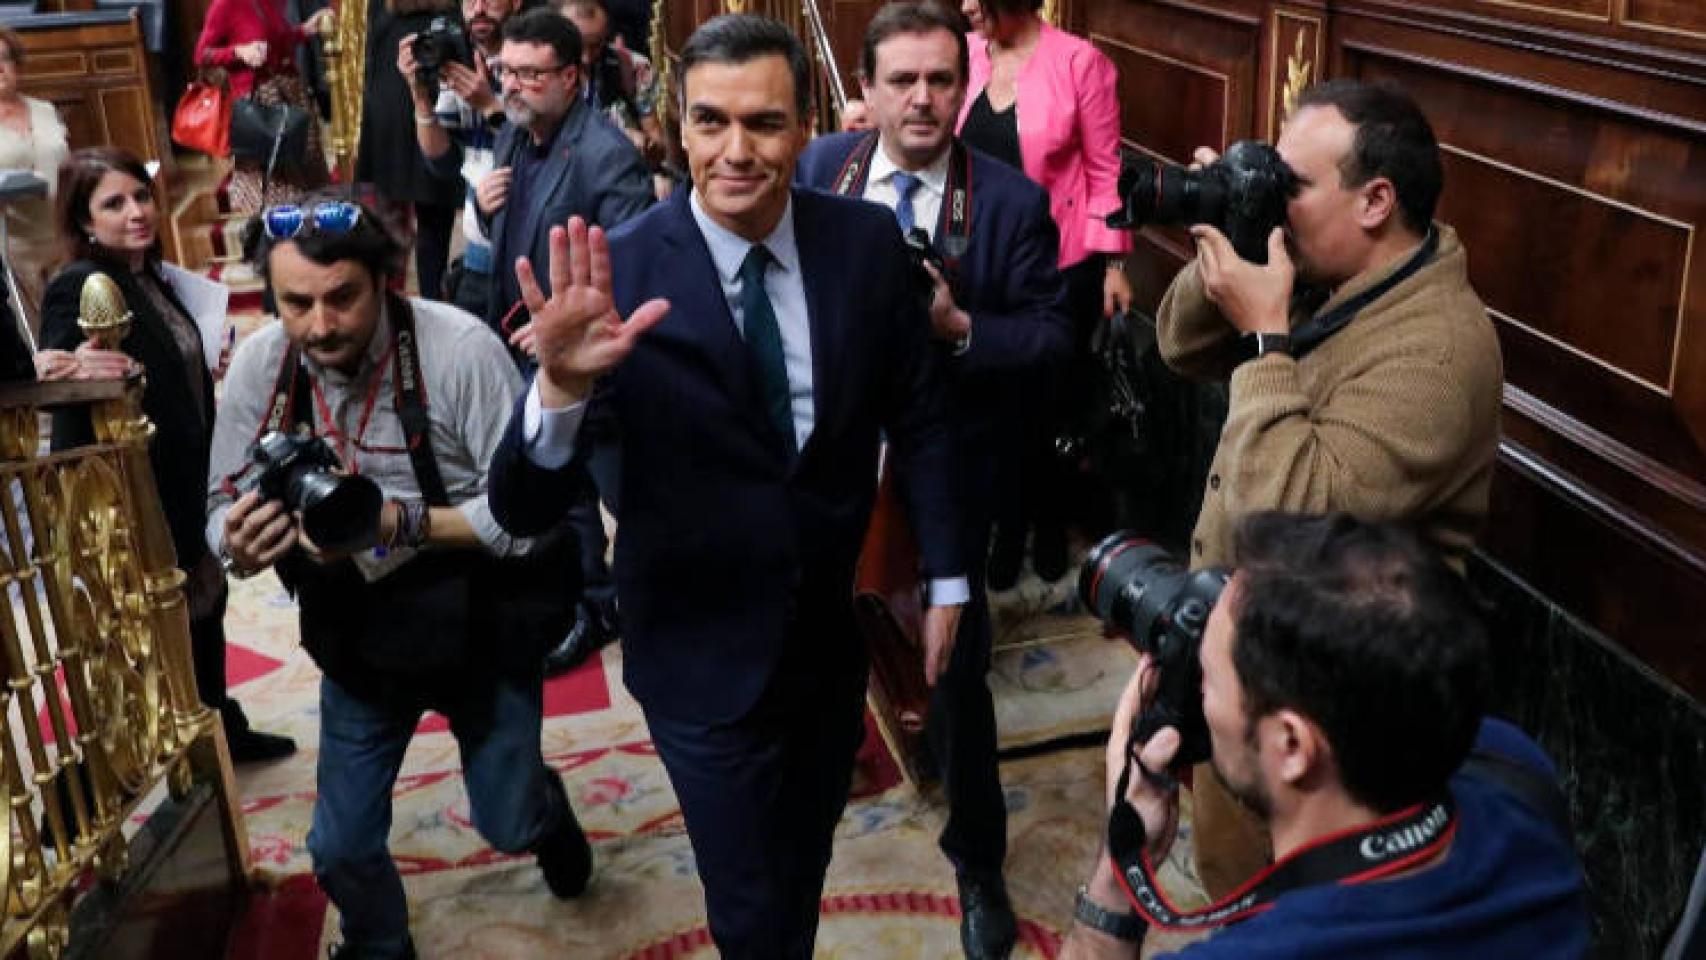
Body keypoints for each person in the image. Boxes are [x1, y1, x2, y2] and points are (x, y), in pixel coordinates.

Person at [485, 15, 965, 957]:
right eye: (711, 123)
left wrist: (947, 576)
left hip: (832, 654)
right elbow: (521, 506)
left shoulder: (867, 245)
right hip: (697, 659)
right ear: (678, 128)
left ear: (805, 125)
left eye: (763, 123)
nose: (737, 151)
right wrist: (563, 389)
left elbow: (923, 419)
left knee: (797, 866)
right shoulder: (611, 270)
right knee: (747, 898)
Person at [207, 194, 590, 959]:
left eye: (343, 297)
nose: (321, 325)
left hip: (481, 617)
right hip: (358, 634)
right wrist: (240, 542)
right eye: (297, 303)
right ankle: (381, 945)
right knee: (339, 845)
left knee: (506, 821)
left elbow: (528, 523)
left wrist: (395, 524)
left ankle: (546, 813)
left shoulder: (459, 351)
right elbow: (218, 504)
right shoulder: (262, 363)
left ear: (386, 280)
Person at [1155, 79, 1504, 898]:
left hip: (1335, 751)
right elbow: (1174, 343)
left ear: (1376, 200)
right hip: (1259, 684)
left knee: (1299, 924)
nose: (1278, 205)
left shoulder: (1440, 351)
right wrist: (1237, 232)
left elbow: (1293, 516)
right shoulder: (1333, 272)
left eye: (1293, 186)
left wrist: (1267, 335)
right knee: (1235, 892)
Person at [795, 4, 1069, 956]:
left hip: (949, 468)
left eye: (941, 80)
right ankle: (825, 780)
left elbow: (1050, 340)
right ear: (864, 89)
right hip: (831, 458)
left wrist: (960, 331)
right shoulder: (818, 170)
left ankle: (979, 862)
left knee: (955, 676)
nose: (921, 99)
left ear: (966, 85)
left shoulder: (1008, 203)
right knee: (822, 636)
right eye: (901, 80)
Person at [1062, 513, 1589, 958]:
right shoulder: (1515, 773)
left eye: (1208, 679)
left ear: (1292, 746)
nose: (1198, 695)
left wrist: (1117, 867)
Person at [40, 148, 295, 764]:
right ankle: (172, 741)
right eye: (114, 204)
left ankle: (218, 721)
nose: (136, 212)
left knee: (205, 599)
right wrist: (71, 362)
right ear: (83, 223)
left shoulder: (149, 277)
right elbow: (56, 366)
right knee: (164, 616)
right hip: (137, 483)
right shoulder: (82, 283)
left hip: (185, 467)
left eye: (140, 197)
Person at [465, 7, 652, 675]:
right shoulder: (518, 134)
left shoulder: (609, 157)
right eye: (504, 70)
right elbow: (511, 239)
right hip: (527, 351)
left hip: (594, 371)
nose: (509, 85)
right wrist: (485, 212)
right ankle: (593, 605)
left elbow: (632, 270)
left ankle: (652, 609)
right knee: (562, 497)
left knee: (628, 501)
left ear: (571, 77)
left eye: (529, 73)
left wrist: (567, 334)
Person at [958, 0, 1133, 589]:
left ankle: (1049, 520)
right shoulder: (964, 55)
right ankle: (1008, 524)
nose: (964, 7)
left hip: (1060, 265)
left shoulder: (1080, 63)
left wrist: (1113, 262)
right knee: (995, 401)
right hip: (979, 262)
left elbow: (1106, 170)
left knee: (1051, 401)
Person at [400, 0, 516, 320]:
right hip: (478, 257)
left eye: (490, 0)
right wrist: (420, 97)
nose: (478, 9)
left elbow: (546, 152)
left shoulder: (534, 63)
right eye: (469, 0)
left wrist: (490, 105)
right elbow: (443, 164)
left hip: (528, 254)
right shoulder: (462, 64)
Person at [358, 0, 466, 300]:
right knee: (403, 220)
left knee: (425, 217)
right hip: (398, 108)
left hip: (424, 106)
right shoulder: (385, 16)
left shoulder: (445, 21)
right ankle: (396, 300)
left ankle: (414, 301)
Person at [194, 0, 333, 212]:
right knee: (281, 181)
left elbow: (276, 42)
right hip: (262, 101)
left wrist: (304, 30)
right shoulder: (225, 5)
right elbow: (202, 54)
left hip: (291, 92)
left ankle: (318, 230)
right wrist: (239, 52)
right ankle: (284, 235)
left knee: (311, 168)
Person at [0, 27, 68, 332]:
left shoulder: (45, 110)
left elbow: (67, 162)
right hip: (15, 247)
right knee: (37, 337)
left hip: (64, 237)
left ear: (17, 65)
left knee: (74, 326)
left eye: (4, 58)